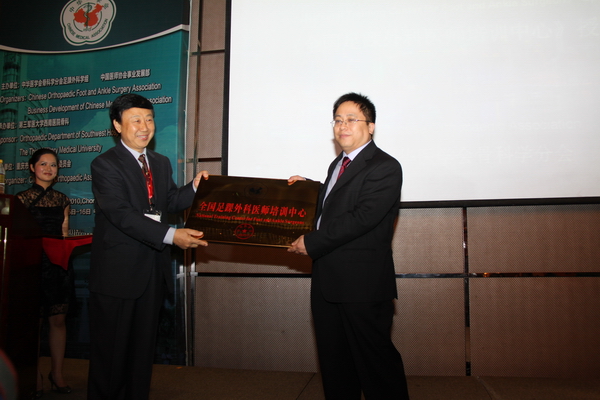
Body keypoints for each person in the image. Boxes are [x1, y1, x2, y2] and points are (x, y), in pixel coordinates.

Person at [288, 92, 409, 399]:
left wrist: (311, 242)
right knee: (335, 366)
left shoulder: (385, 166)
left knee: (376, 366)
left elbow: (362, 217)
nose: (343, 126)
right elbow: (337, 204)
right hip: (328, 283)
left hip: (362, 286)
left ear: (371, 126)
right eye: (338, 120)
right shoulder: (337, 165)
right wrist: (309, 191)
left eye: (352, 119)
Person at [87, 93, 208, 400]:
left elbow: (169, 201)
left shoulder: (160, 163)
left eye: (149, 119)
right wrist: (171, 235)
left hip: (152, 272)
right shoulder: (105, 164)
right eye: (136, 120)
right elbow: (121, 214)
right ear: (117, 125)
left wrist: (195, 187)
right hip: (118, 275)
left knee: (142, 355)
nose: (145, 127)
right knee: (111, 357)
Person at [16, 148, 73, 397]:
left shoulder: (63, 200)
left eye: (53, 165)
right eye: (43, 164)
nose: (48, 169)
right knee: (34, 323)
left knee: (58, 320)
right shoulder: (20, 199)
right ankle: (35, 375)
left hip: (57, 266)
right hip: (31, 266)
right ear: (32, 168)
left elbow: (64, 235)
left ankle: (57, 374)